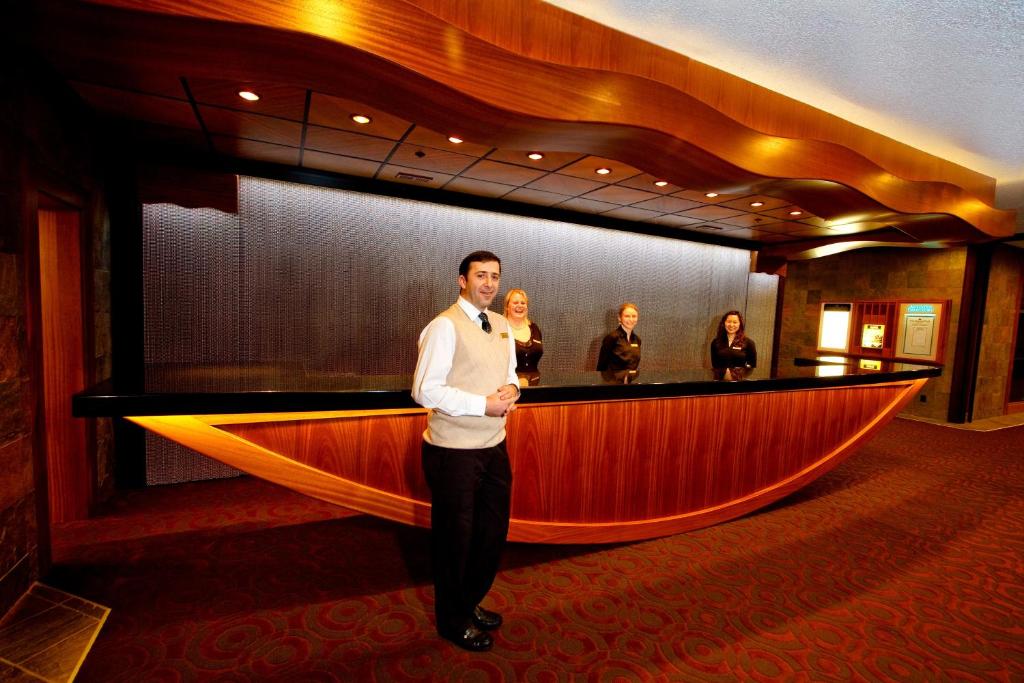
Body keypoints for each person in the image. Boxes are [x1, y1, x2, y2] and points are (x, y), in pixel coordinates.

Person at [411, 250, 521, 652]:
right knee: (454, 541)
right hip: (453, 452)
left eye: (495, 276)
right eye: (481, 276)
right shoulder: (444, 326)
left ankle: (468, 600)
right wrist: (482, 405)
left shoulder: (502, 325)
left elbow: (510, 375)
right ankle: (451, 620)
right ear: (462, 280)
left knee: (491, 534)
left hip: (494, 446)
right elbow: (424, 390)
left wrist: (514, 390)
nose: (489, 283)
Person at [503, 288, 543, 386]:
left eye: (523, 303)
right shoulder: (500, 328)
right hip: (507, 386)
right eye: (515, 302)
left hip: (534, 386)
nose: (519, 305)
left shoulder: (534, 328)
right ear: (507, 307)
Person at [596, 302, 641, 376]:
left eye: (634, 316)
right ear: (619, 318)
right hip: (612, 382)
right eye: (627, 316)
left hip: (630, 381)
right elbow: (601, 365)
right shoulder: (612, 337)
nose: (631, 319)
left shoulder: (637, 340)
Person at [710, 310, 757, 379]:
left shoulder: (749, 342)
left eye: (735, 322)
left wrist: (740, 371)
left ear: (740, 324)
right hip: (720, 381)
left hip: (740, 381)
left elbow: (752, 365)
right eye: (729, 322)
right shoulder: (716, 342)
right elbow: (715, 365)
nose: (731, 325)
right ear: (724, 323)